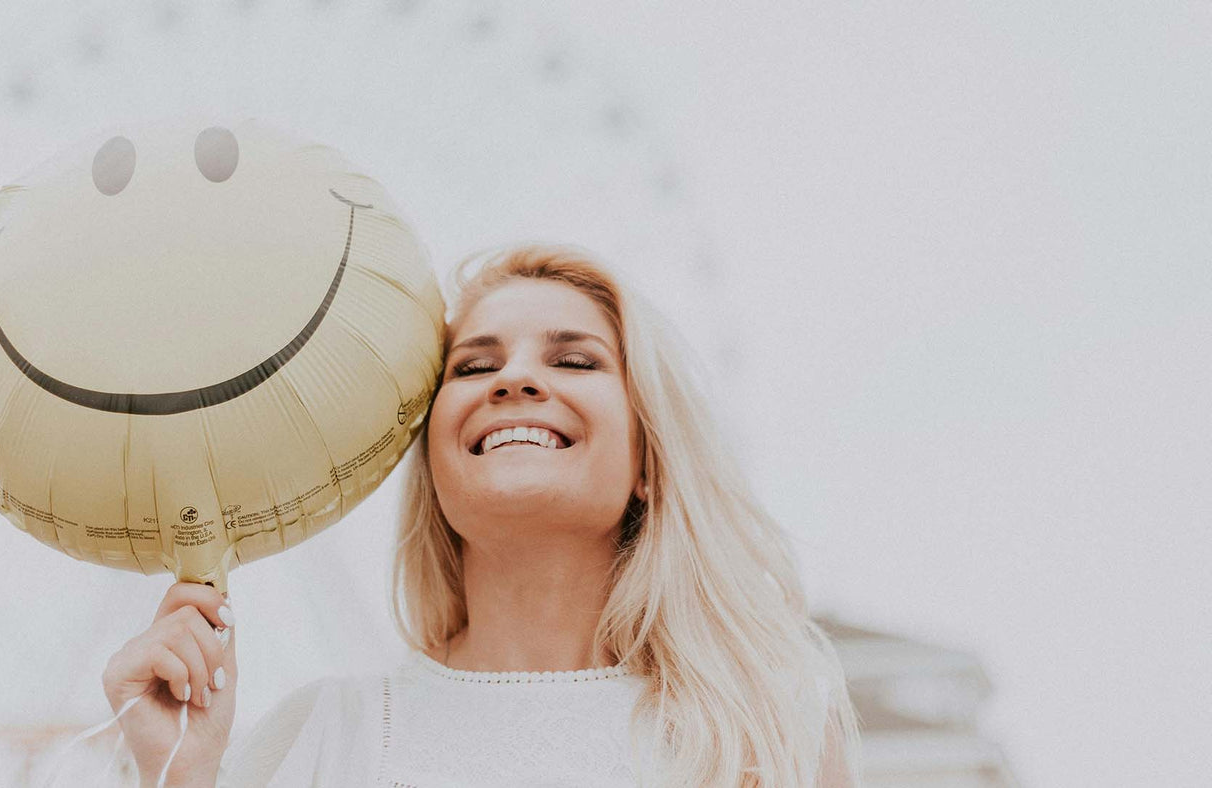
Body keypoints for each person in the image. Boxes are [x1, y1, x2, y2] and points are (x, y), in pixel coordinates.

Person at [102, 245, 862, 787]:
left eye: (574, 360)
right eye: (474, 366)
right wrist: (181, 776)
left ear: (650, 466)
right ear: (433, 462)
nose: (516, 378)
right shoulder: (325, 737)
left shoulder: (763, 738)